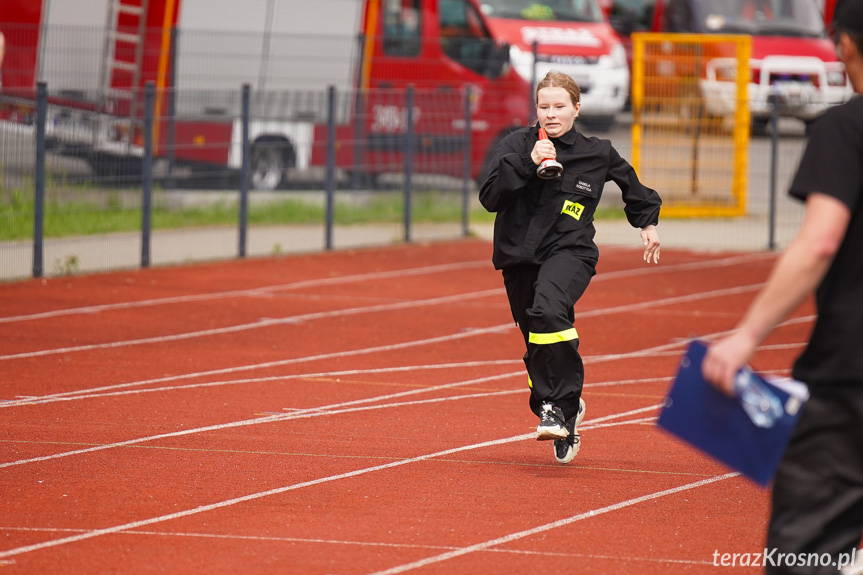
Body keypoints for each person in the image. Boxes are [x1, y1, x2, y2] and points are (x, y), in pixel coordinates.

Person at [701, 1, 863, 572]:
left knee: (805, 558)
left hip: (850, 382)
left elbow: (820, 242)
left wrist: (747, 335)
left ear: (844, 45)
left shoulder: (846, 127)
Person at [479, 70, 662, 464]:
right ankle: (562, 407)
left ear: (576, 109)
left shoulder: (596, 152)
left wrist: (647, 223)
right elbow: (490, 197)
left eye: (559, 106)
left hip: (570, 251)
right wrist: (528, 163)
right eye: (543, 107)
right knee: (536, 343)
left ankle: (558, 408)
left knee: (548, 309)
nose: (551, 114)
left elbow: (633, 187)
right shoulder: (515, 145)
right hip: (518, 258)